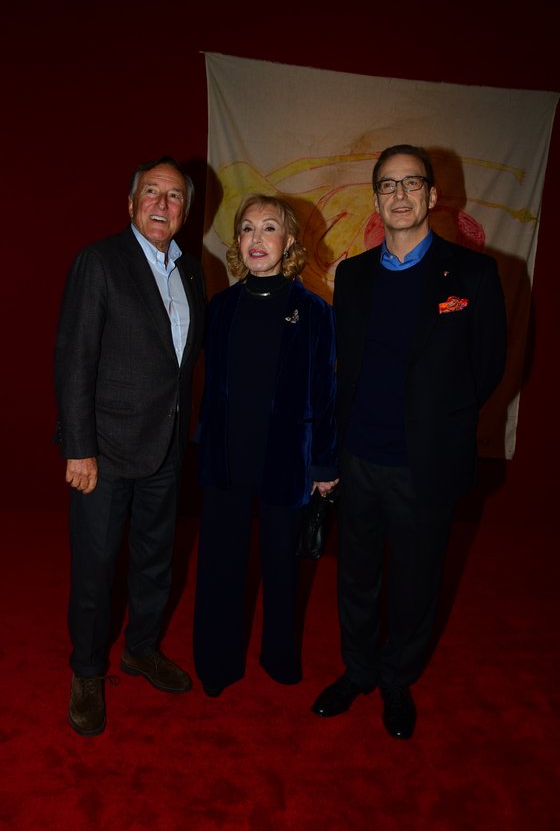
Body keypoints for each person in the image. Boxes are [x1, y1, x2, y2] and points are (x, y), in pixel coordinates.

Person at [311, 144, 507, 739]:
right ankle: (359, 671)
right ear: (376, 199)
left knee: (417, 582)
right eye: (388, 185)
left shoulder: (473, 275)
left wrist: (438, 421)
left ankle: (397, 679)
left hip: (426, 463)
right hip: (359, 457)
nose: (399, 195)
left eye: (411, 183)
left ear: (432, 195)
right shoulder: (353, 275)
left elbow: (488, 366)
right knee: (356, 577)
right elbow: (344, 368)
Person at [54, 155, 206, 736]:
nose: (163, 204)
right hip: (105, 451)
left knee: (154, 559)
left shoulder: (192, 270)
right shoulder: (100, 261)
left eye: (174, 196)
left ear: (185, 210)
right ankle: (88, 670)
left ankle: (141, 649)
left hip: (166, 446)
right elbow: (74, 358)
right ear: (131, 203)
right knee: (96, 568)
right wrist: (79, 447)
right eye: (152, 192)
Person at [193, 193, 338, 697]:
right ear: (237, 242)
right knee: (220, 565)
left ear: (290, 241)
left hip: (286, 460)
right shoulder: (220, 307)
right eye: (247, 229)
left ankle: (279, 658)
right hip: (226, 457)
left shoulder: (314, 311)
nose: (257, 239)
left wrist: (324, 463)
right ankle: (217, 664)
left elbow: (325, 392)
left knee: (281, 566)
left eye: (269, 228)